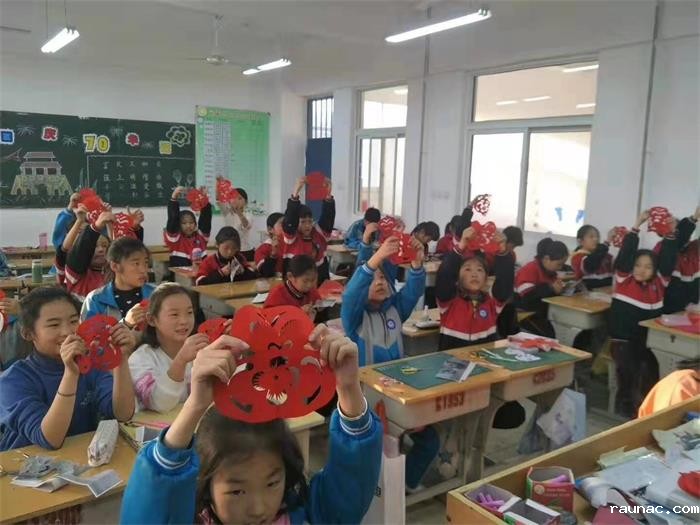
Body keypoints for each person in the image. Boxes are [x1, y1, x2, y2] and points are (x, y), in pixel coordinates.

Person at [120, 326, 382, 525]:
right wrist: (194, 406)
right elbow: (150, 511)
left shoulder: (303, 514)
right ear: (206, 485)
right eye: (236, 491)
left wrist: (348, 388)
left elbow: (348, 490)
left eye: (272, 483)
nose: (258, 509)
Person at [0, 287, 136, 450]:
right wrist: (71, 373)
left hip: (80, 458)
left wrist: (121, 359)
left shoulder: (91, 365)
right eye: (54, 325)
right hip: (26, 462)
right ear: (28, 334)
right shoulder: (13, 380)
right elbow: (49, 439)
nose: (67, 332)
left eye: (73, 321)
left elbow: (122, 414)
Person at [609, 210, 678, 418]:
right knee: (629, 370)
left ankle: (647, 408)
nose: (641, 270)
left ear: (655, 270)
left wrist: (671, 232)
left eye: (648, 267)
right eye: (637, 265)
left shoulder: (660, 282)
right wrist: (636, 225)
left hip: (646, 341)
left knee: (651, 369)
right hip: (623, 340)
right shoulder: (624, 279)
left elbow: (668, 258)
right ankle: (626, 408)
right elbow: (626, 254)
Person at [342, 236, 426, 366]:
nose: (379, 283)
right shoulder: (355, 318)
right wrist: (378, 256)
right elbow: (351, 295)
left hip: (395, 375)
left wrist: (417, 263)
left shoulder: (396, 309)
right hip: (366, 378)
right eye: (371, 280)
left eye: (382, 277)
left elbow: (413, 292)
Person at [128, 283, 207, 413]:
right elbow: (160, 403)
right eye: (174, 314)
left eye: (189, 312)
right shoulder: (140, 359)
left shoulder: (201, 350)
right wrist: (181, 361)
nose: (184, 321)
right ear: (152, 320)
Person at [436, 228, 514, 350]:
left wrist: (503, 250)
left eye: (479, 270)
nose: (474, 274)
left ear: (486, 278)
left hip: (484, 359)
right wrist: (461, 245)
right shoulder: (448, 300)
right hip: (451, 360)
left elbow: (505, 280)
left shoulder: (492, 303)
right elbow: (445, 275)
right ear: (457, 277)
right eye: (467, 269)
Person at [82, 237, 155, 325]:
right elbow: (88, 333)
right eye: (136, 264)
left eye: (146, 262)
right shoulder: (96, 299)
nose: (143, 270)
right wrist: (126, 323)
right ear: (115, 266)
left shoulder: (156, 295)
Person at [282, 177, 335, 284]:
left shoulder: (318, 234)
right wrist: (295, 193)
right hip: (296, 284)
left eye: (310, 221)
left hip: (319, 282)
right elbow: (290, 218)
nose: (307, 225)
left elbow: (328, 218)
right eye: (303, 222)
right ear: (296, 222)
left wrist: (328, 195)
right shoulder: (291, 237)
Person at [515, 238, 569, 338]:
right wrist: (551, 288)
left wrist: (559, 290)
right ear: (546, 259)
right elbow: (527, 297)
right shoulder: (530, 269)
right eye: (559, 264)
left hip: (541, 312)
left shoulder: (550, 272)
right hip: (525, 312)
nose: (561, 268)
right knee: (548, 335)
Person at [654, 208, 699, 313]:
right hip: (668, 304)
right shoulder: (662, 247)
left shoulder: (693, 247)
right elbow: (678, 239)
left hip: (690, 306)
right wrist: (693, 218)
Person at [63, 210, 115, 300]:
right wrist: (95, 227)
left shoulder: (114, 272)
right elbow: (80, 251)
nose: (101, 250)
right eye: (95, 246)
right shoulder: (75, 273)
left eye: (104, 246)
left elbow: (118, 251)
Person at [165, 186, 212, 267]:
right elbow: (173, 218)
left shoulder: (201, 237)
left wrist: (204, 199)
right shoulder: (175, 239)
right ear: (179, 225)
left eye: (191, 222)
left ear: (195, 224)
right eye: (184, 223)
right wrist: (174, 198)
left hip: (199, 272)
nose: (188, 226)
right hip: (180, 274)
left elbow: (206, 218)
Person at [264, 255, 321, 320]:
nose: (309, 285)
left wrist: (321, 308)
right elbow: (267, 319)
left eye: (313, 280)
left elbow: (318, 304)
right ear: (290, 276)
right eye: (305, 281)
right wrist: (297, 313)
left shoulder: (311, 290)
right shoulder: (277, 295)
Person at [570, 225, 614, 289]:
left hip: (607, 291)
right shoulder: (578, 257)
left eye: (597, 237)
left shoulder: (605, 255)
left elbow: (619, 266)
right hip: (587, 292)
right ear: (580, 241)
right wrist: (607, 242)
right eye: (591, 237)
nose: (596, 239)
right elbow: (591, 263)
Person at [220, 185, 255, 261]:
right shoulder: (227, 213)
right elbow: (219, 200)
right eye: (233, 198)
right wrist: (219, 183)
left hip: (245, 251)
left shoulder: (249, 215)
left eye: (239, 198)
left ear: (246, 202)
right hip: (230, 251)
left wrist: (238, 212)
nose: (236, 200)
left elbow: (246, 225)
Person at [255, 212, 284, 277]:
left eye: (287, 224)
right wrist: (273, 255)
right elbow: (265, 273)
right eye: (282, 224)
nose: (286, 227)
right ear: (270, 229)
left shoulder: (291, 245)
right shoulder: (262, 249)